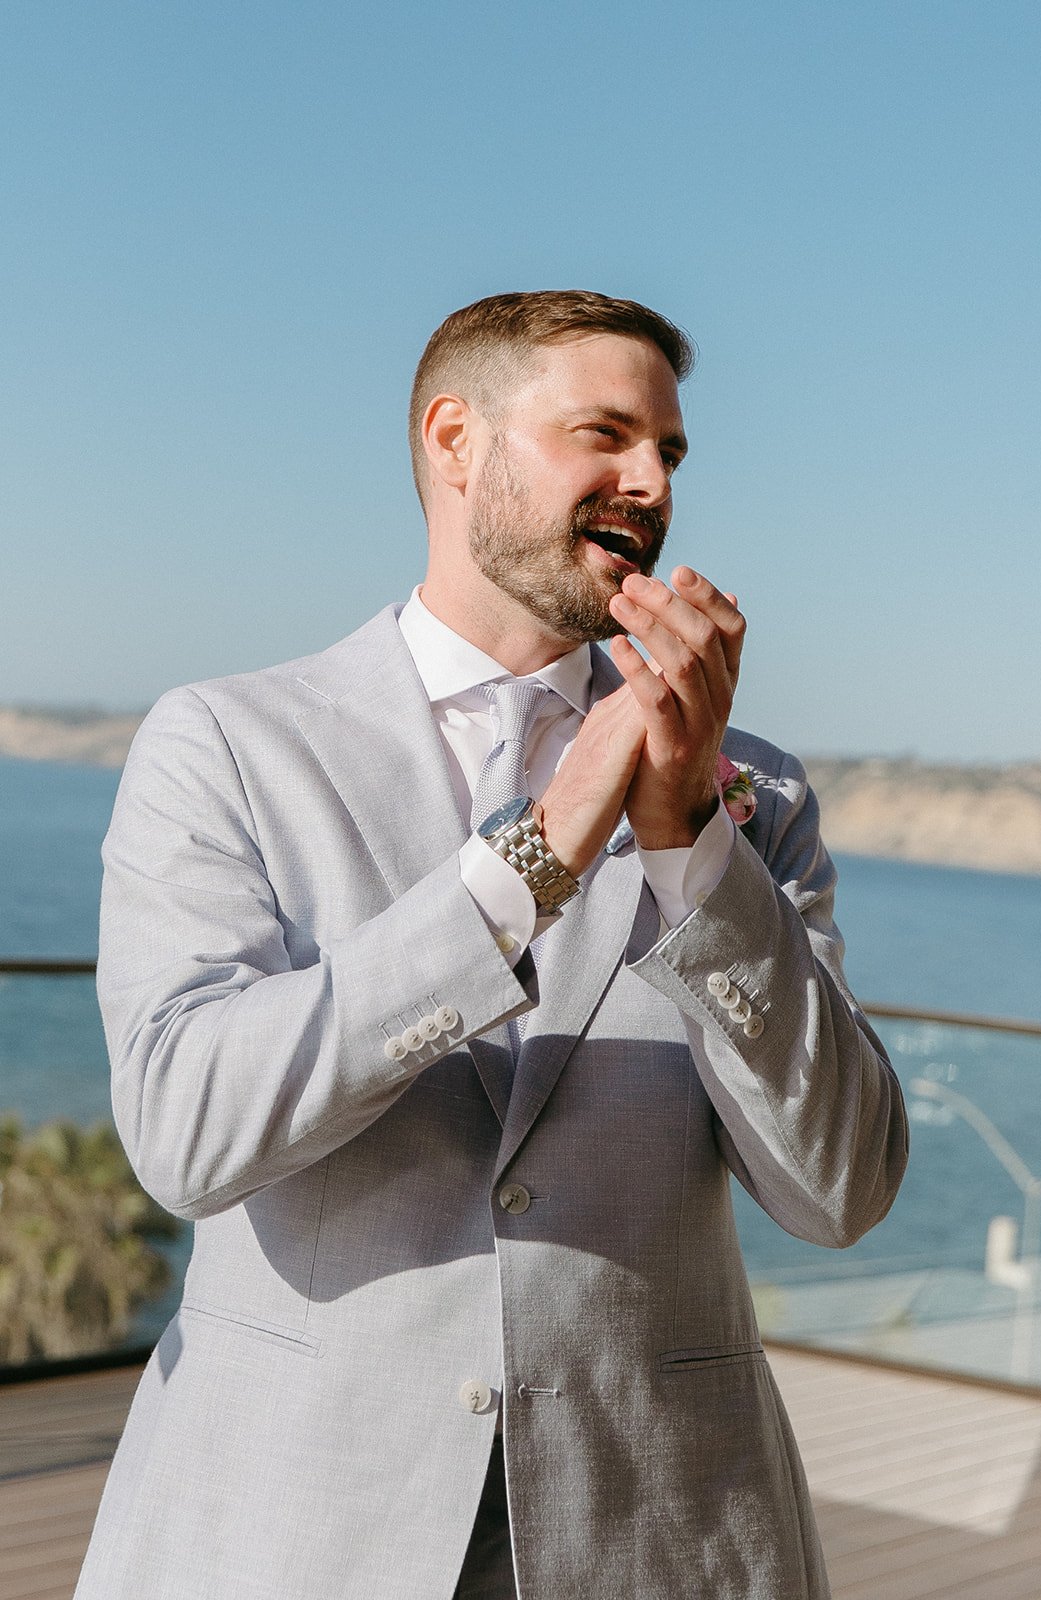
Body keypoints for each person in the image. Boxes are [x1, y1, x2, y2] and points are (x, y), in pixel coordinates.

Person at [77, 290, 908, 1600]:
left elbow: (841, 1188)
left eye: (672, 453)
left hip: (655, 1534)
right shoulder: (227, 746)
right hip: (294, 1530)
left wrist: (693, 844)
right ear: (455, 440)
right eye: (607, 434)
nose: (652, 483)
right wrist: (533, 863)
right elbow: (187, 1133)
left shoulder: (759, 798)